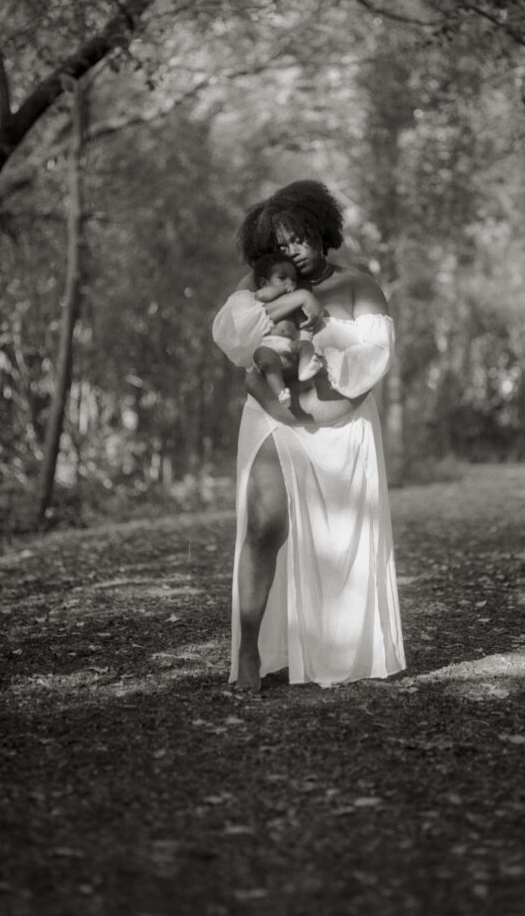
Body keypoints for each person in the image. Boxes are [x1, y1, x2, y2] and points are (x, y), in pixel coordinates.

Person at [212, 179, 405, 691]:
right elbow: (234, 341)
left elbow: (372, 361)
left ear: (322, 231)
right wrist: (282, 302)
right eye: (278, 243)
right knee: (263, 527)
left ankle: (336, 651)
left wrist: (319, 326)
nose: (290, 250)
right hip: (276, 419)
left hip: (343, 430)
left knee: (341, 540)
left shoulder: (359, 286)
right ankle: (249, 652)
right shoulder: (257, 284)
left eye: (298, 237)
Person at [251, 251, 323, 408]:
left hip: (288, 344)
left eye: (294, 279)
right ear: (264, 283)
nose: (290, 282)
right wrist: (283, 288)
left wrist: (305, 332)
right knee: (266, 360)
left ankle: (306, 367)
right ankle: (281, 392)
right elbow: (262, 295)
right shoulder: (261, 296)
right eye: (282, 277)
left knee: (306, 346)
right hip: (267, 344)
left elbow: (303, 327)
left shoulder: (294, 305)